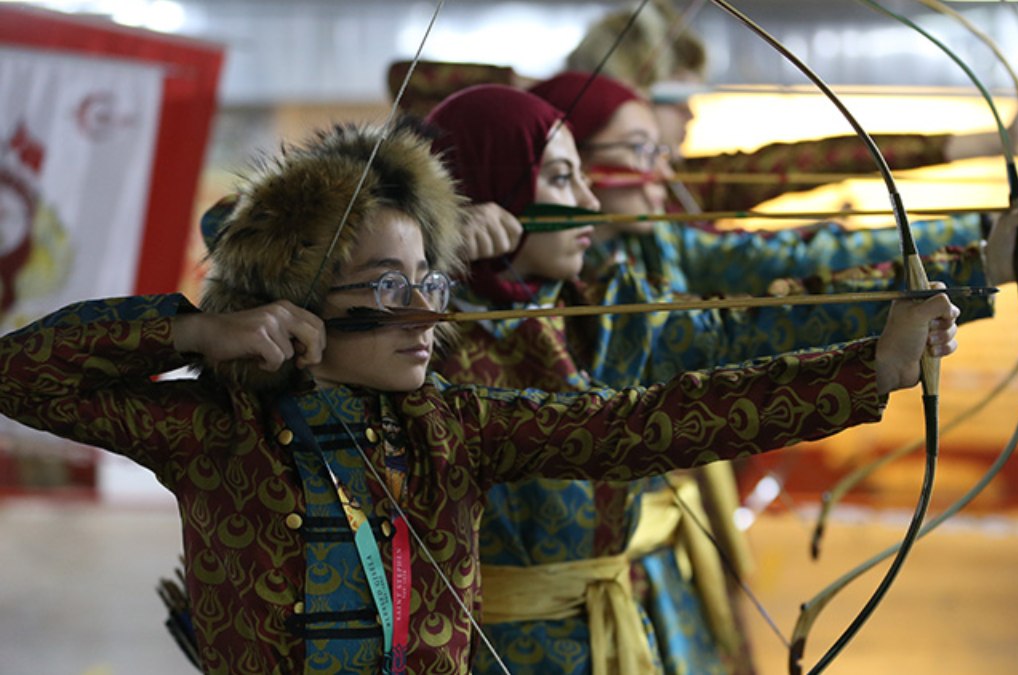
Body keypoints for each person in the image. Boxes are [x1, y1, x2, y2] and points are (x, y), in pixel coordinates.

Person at [0, 117, 960, 675]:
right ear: (293, 302)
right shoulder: (215, 430)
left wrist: (869, 367)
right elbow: (20, 373)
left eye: (430, 282)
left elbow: (638, 424)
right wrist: (189, 331)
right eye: (386, 287)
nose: (424, 315)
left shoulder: (454, 424)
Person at [527, 70, 1018, 675]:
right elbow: (729, 339)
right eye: (643, 147)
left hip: (642, 570)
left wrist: (982, 248)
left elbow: (791, 272)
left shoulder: (646, 251)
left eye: (661, 145)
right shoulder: (520, 307)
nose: (671, 161)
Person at [565, 0, 1018, 211]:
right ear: (626, 99)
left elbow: (809, 162)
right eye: (676, 99)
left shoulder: (674, 191)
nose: (692, 114)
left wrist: (996, 142)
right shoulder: (619, 198)